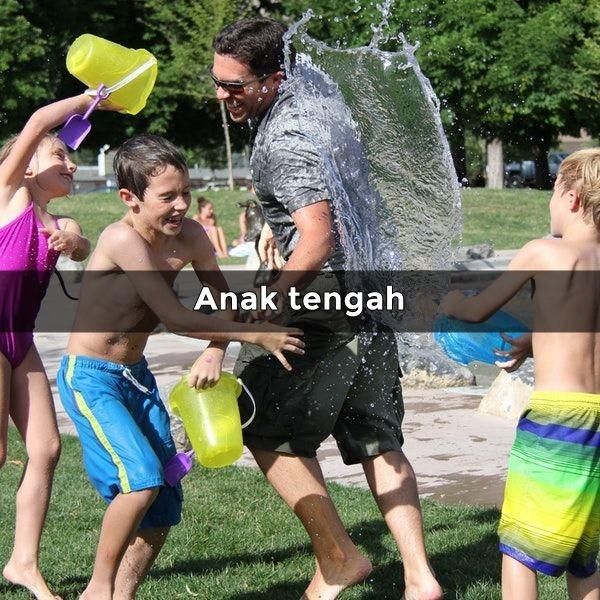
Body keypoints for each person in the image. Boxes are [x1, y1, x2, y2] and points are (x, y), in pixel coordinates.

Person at [212, 18, 442, 600]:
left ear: (273, 79)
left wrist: (269, 298)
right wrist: (275, 225)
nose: (221, 95)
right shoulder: (319, 100)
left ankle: (340, 558)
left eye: (234, 86)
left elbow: (316, 238)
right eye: (216, 81)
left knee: (258, 422)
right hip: (370, 292)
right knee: (376, 437)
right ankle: (421, 579)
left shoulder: (285, 139)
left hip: (322, 302)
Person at [56, 134, 304, 600]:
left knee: (164, 496)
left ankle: (121, 595)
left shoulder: (191, 236)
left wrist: (215, 350)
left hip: (135, 377)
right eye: (167, 196)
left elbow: (222, 301)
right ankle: (97, 589)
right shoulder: (121, 239)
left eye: (186, 192)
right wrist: (256, 335)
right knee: (141, 481)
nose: (181, 205)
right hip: (90, 376)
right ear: (129, 198)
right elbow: (172, 316)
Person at [441, 148, 600, 600]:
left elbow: (478, 311)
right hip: (596, 420)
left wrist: (452, 303)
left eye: (552, 193)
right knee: (583, 555)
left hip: (555, 420)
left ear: (571, 198)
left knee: (519, 549)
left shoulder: (543, 252)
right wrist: (535, 338)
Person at [0, 95, 102, 600]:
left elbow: (82, 244)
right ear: (25, 166)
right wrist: (93, 99)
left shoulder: (60, 222)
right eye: (59, 155)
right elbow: (40, 120)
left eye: (70, 156)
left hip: (20, 340)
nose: (71, 163)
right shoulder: (8, 195)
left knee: (45, 448)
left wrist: (74, 243)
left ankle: (23, 563)